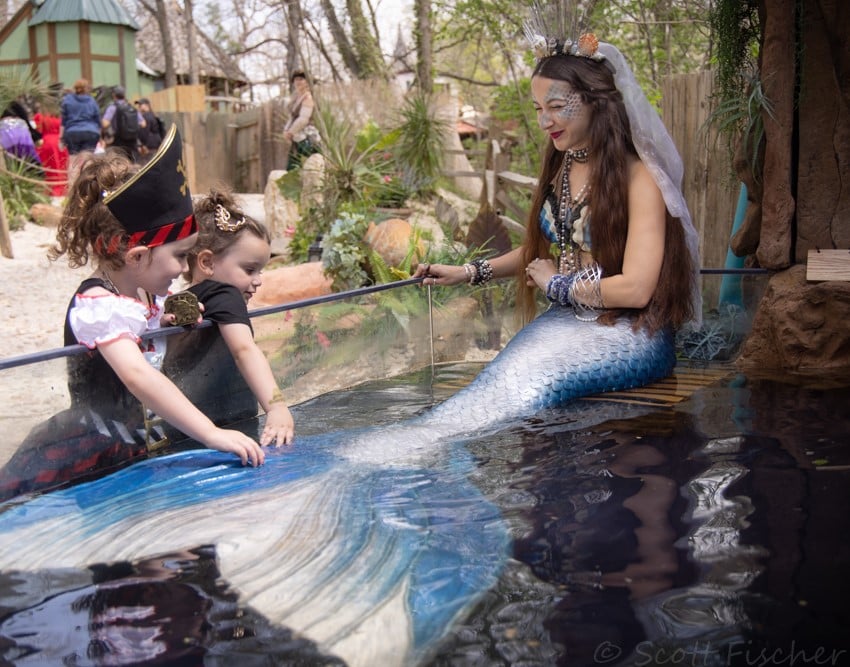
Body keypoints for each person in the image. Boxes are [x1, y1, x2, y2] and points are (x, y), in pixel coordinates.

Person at [409, 10, 701, 433]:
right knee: (497, 385)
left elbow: (637, 289)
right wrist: (468, 272)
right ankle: (424, 448)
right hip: (569, 320)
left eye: (557, 107)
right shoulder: (560, 167)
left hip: (631, 334)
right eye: (539, 108)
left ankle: (424, 446)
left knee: (522, 388)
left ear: (596, 103)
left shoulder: (641, 179)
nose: (545, 121)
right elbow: (542, 252)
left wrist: (556, 285)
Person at [0, 125, 265, 502]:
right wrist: (211, 433)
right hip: (91, 444)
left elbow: (141, 338)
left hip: (129, 442)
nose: (182, 268)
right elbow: (137, 374)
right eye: (177, 256)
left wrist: (164, 323)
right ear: (137, 257)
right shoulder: (99, 306)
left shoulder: (137, 294)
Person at [162, 187, 295, 447]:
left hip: (183, 429)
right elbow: (244, 349)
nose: (258, 281)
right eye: (249, 269)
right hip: (230, 425)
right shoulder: (226, 294)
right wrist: (277, 407)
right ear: (207, 263)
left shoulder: (182, 301)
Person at [60, 78, 101, 185]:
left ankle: (72, 188)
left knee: (73, 162)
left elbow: (63, 121)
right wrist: (100, 136)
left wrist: (61, 138)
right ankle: (88, 187)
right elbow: (97, 120)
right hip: (91, 132)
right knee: (88, 161)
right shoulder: (92, 101)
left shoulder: (68, 99)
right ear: (86, 88)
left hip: (72, 132)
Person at [282, 70, 319, 171]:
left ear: (307, 81)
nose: (297, 82)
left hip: (307, 138)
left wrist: (291, 132)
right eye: (296, 79)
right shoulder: (296, 98)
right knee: (292, 169)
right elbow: (292, 117)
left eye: (301, 79)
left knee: (311, 168)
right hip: (297, 138)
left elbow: (303, 119)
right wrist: (286, 130)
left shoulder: (308, 97)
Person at [33, 98, 69, 196]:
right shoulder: (59, 117)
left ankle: (50, 190)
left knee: (48, 167)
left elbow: (38, 130)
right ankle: (62, 189)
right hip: (60, 143)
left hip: (46, 143)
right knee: (60, 166)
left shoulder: (40, 117)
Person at [101, 85, 145, 161]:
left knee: (119, 163)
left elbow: (105, 123)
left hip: (118, 141)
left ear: (113, 95)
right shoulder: (131, 107)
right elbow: (143, 124)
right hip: (132, 140)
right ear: (124, 95)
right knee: (134, 162)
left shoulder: (112, 107)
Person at [135, 97, 163, 164]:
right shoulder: (152, 115)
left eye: (141, 104)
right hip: (156, 143)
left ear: (147, 105)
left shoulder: (146, 116)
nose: (139, 106)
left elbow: (144, 133)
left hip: (150, 146)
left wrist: (142, 145)